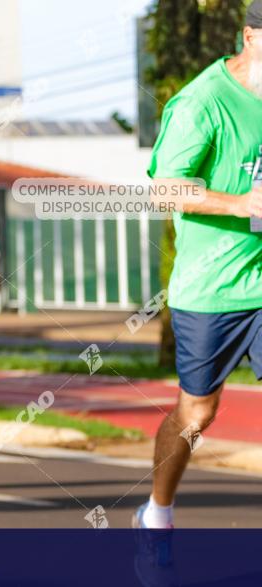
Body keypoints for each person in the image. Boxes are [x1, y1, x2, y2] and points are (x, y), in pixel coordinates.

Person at [135, 1, 262, 530]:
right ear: (250, 37)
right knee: (196, 414)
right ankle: (157, 513)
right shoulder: (202, 102)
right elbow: (166, 188)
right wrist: (243, 204)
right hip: (211, 288)